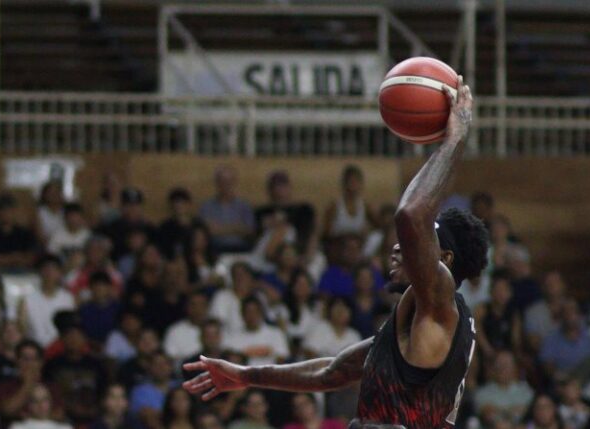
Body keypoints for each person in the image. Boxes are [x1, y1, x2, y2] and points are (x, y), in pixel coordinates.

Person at [183, 78, 486, 429]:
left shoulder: (439, 301)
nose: (400, 246)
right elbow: (330, 372)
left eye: (420, 241)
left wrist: (455, 136)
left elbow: (410, 215)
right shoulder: (417, 320)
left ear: (445, 260)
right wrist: (246, 375)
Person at [42, 312, 108, 425]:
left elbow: (104, 392)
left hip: (93, 417)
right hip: (61, 417)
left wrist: (96, 409)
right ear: (62, 339)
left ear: (85, 339)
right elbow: (47, 392)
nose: (73, 339)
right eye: (69, 335)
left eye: (78, 335)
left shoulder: (96, 364)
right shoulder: (52, 364)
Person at [254, 170, 316, 259]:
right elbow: (255, 236)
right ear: (269, 190)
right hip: (267, 255)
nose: (278, 190)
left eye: (282, 186)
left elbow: (312, 234)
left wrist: (307, 257)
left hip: (300, 252)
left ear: (289, 187)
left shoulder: (303, 210)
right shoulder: (261, 212)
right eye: (275, 186)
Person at [18, 256, 75, 347]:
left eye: (53, 269)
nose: (49, 273)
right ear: (40, 272)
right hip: (35, 350)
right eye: (46, 269)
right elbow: (22, 329)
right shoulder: (27, 300)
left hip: (61, 349)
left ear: (60, 273)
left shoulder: (68, 299)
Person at [199, 165, 255, 253]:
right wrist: (236, 228)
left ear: (235, 182)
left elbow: (249, 230)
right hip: (215, 250)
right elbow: (208, 231)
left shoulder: (244, 206)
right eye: (222, 181)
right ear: (217, 183)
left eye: (229, 181)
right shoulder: (206, 207)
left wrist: (219, 228)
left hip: (241, 249)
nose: (226, 185)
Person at [474, 351, 534, 426]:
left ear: (515, 368)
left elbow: (525, 413)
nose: (502, 369)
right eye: (499, 365)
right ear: (493, 369)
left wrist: (498, 410)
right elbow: (488, 413)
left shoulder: (526, 391)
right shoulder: (482, 393)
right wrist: (511, 411)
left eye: (506, 365)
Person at [223, 297, 289, 366]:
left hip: (269, 374)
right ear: (242, 314)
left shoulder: (276, 333)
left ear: (261, 313)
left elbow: (282, 358)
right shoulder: (233, 336)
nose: (252, 315)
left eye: (255, 311)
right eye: (248, 312)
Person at [539, 299, 590, 374]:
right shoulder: (551, 339)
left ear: (580, 315)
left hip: (587, 381)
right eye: (566, 312)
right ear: (561, 316)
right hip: (561, 381)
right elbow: (548, 365)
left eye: (573, 311)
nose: (570, 316)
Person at [0, 194, 38, 272]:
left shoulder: (25, 234)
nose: (6, 214)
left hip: (22, 273)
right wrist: (13, 258)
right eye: (3, 210)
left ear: (14, 211)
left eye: (8, 210)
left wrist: (3, 259)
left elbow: (31, 258)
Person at [322, 165, 375, 240]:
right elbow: (325, 233)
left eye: (356, 182)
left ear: (360, 184)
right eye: (351, 181)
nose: (353, 185)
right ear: (344, 184)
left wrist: (368, 231)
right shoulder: (334, 206)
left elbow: (378, 227)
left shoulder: (365, 207)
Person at [130, 351, 180, 429]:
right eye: (156, 364)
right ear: (149, 367)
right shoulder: (139, 391)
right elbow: (147, 416)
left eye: (164, 363)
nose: (161, 367)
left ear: (170, 367)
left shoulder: (180, 387)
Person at [209, 262, 258, 335]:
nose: (239, 279)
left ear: (250, 277)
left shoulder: (258, 297)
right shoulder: (221, 297)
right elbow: (215, 323)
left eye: (243, 275)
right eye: (236, 275)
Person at [159, 187, 207, 260]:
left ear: (188, 204)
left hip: (196, 261)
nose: (179, 206)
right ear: (171, 206)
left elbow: (206, 248)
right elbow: (163, 251)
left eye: (182, 202)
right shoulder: (165, 227)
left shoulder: (198, 225)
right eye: (176, 202)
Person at [164, 293, 210, 363]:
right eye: (193, 305)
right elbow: (169, 357)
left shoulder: (216, 329)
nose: (198, 309)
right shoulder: (175, 331)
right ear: (186, 307)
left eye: (201, 305)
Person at [77, 271, 120, 347]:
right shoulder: (84, 310)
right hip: (89, 348)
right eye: (96, 285)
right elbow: (81, 333)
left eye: (103, 285)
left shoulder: (118, 308)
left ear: (109, 287)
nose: (99, 288)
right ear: (90, 288)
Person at [36, 180, 66, 245]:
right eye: (51, 192)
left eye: (56, 192)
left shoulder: (66, 212)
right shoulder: (39, 213)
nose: (54, 195)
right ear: (44, 195)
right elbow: (40, 236)